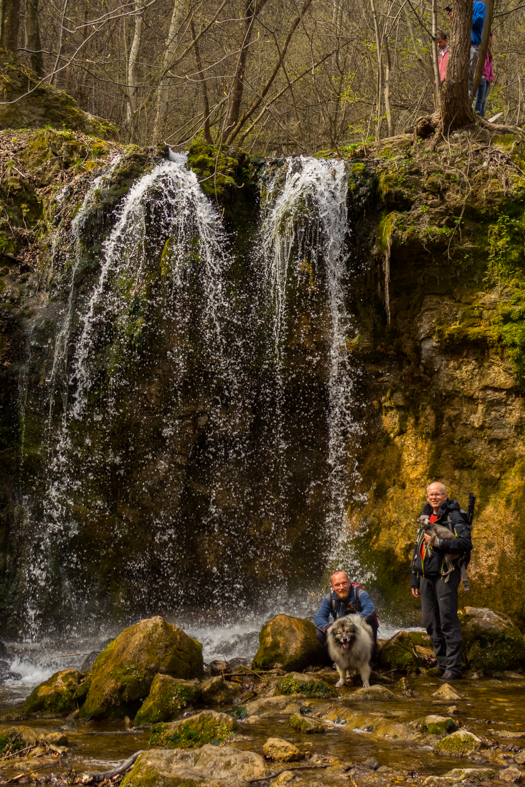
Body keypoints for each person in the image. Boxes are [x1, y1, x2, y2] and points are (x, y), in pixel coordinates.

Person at [411, 482, 473, 681]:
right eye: (431, 494)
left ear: (446, 496)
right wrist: (414, 578)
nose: (434, 497)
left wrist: (440, 543)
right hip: (426, 576)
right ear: (427, 497)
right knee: (430, 622)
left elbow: (465, 543)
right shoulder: (425, 516)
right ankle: (443, 663)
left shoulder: (455, 516)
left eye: (438, 494)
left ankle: (453, 669)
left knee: (447, 620)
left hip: (446, 573)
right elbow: (417, 549)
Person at [314, 570, 378, 647]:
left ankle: (372, 655)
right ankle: (334, 656)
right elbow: (319, 617)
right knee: (320, 633)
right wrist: (328, 628)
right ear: (332, 587)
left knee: (372, 621)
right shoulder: (329, 598)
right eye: (337, 585)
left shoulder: (359, 592)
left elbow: (370, 609)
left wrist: (355, 623)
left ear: (349, 582)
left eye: (344, 583)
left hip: (358, 628)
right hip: (341, 631)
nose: (341, 587)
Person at [445, 1, 485, 99]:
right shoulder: (461, 4)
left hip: (472, 44)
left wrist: (464, 16)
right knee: (455, 74)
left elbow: (478, 21)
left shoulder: (479, 5)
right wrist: (454, 18)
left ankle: (467, 102)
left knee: (468, 76)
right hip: (458, 46)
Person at [474, 33, 494, 116]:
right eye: (492, 38)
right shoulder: (481, 50)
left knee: (483, 101)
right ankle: (478, 118)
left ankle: (482, 119)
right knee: (480, 100)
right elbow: (483, 66)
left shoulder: (488, 51)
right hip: (482, 78)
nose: (493, 40)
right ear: (489, 38)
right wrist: (486, 76)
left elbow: (489, 66)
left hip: (487, 80)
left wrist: (491, 77)